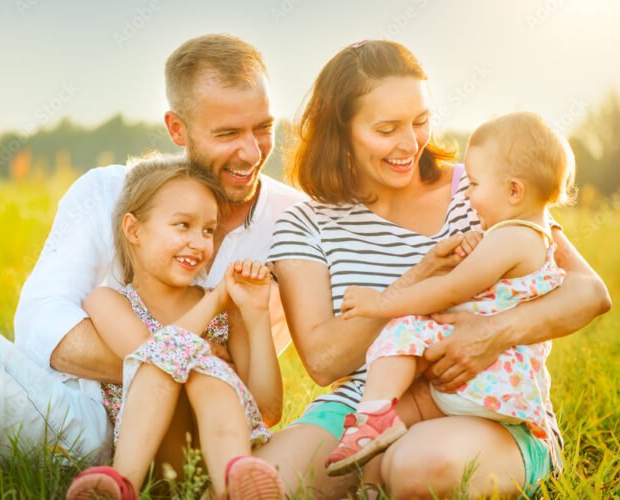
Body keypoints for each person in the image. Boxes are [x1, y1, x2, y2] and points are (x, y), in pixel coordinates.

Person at [0, 34, 305, 465]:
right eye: (227, 134)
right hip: (44, 385)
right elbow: (39, 321)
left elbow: (274, 395)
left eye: (263, 127)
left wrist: (172, 373)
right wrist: (186, 360)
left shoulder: (298, 223)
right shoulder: (107, 191)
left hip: (109, 430)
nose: (251, 151)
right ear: (177, 128)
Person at [253, 40, 610, 498]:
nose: (410, 143)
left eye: (420, 122)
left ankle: (394, 472)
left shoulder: (482, 186)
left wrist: (493, 332)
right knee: (267, 481)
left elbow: (588, 292)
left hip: (483, 405)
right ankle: (374, 462)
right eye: (387, 129)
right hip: (365, 408)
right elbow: (325, 361)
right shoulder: (305, 224)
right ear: (340, 130)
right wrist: (417, 277)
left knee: (417, 466)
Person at [324, 111, 574, 483]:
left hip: (487, 381)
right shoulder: (518, 236)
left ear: (514, 191)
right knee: (386, 446)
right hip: (485, 384)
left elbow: (451, 288)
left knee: (404, 326)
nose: (467, 194)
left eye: (473, 184)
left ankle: (373, 413)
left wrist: (382, 302)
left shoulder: (513, 237)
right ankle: (373, 479)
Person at [64, 155, 284, 499]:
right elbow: (158, 356)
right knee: (173, 360)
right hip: (152, 458)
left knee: (205, 368)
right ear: (133, 230)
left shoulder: (229, 308)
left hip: (214, 456)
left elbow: (268, 411)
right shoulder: (108, 302)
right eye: (183, 225)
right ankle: (120, 484)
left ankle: (236, 484)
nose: (199, 242)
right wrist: (211, 308)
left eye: (208, 230)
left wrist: (254, 316)